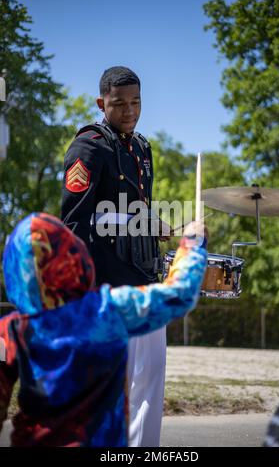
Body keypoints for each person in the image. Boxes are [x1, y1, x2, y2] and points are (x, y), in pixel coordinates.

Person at [0, 212, 207, 447]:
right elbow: (178, 295)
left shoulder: (10, 331)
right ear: (72, 254)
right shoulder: (107, 311)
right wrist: (192, 244)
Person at [60, 66, 170, 446]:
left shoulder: (141, 148)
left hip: (145, 283)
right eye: (120, 104)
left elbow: (135, 211)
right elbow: (73, 223)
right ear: (101, 103)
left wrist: (154, 224)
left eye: (136, 102)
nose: (130, 111)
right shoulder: (89, 146)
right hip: (107, 287)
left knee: (150, 381)